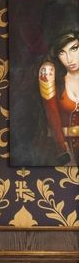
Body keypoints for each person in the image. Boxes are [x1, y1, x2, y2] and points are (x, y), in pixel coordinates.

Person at [38, 26, 79, 163]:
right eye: (62, 52)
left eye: (74, 48)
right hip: (66, 151)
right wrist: (63, 151)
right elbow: (52, 115)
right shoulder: (51, 75)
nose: (69, 58)